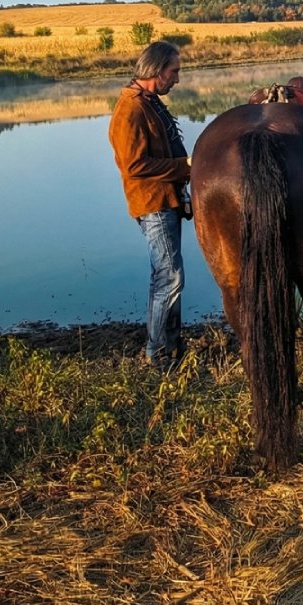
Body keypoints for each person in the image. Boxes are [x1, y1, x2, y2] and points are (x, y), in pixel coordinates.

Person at [109, 41, 191, 371]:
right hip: (153, 204)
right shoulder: (130, 109)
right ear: (156, 72)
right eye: (174, 72)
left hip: (165, 200)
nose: (177, 79)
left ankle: (170, 345)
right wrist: (186, 166)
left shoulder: (149, 102)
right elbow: (134, 166)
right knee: (168, 277)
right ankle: (157, 353)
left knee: (166, 276)